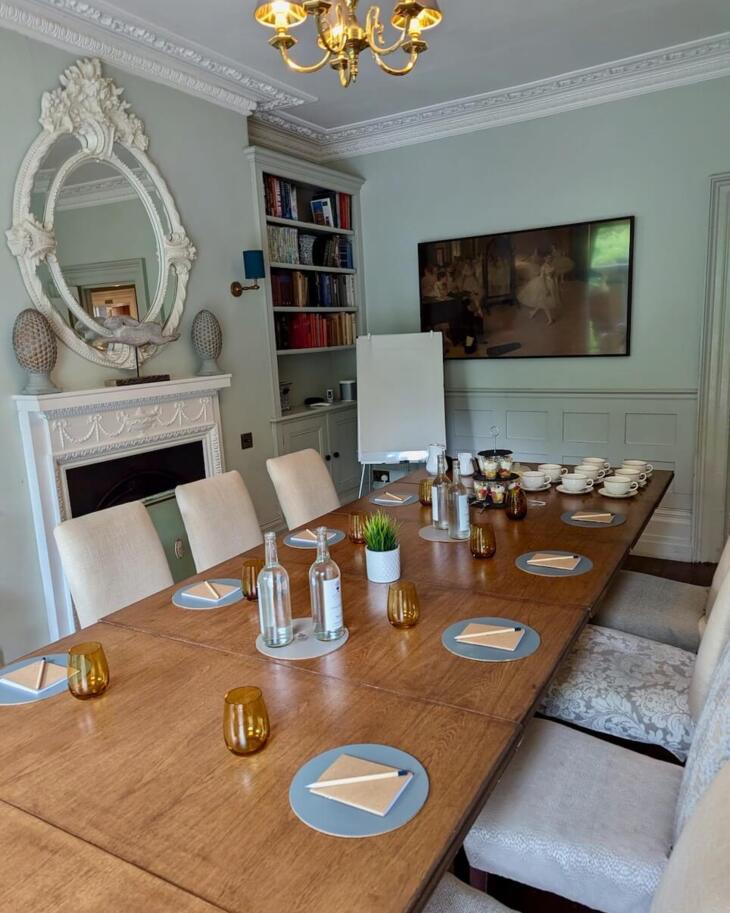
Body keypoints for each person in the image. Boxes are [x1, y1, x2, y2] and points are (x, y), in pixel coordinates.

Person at [517, 254, 561, 325]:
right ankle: (550, 319)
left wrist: (556, 284)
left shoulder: (552, 266)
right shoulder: (543, 267)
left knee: (542, 300)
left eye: (550, 258)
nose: (549, 260)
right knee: (544, 301)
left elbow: (555, 276)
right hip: (544, 284)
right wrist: (545, 288)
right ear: (545, 259)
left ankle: (533, 313)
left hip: (551, 284)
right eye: (547, 258)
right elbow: (542, 278)